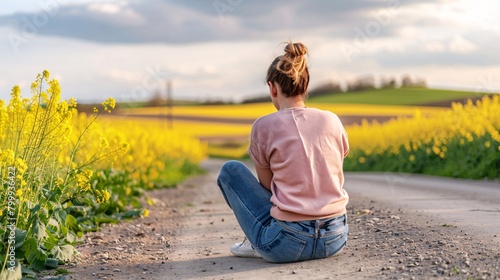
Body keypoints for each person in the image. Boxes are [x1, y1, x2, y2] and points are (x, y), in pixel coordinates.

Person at [217, 41, 349, 263]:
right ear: (305, 87)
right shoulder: (331, 119)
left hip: (285, 244)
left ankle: (254, 238)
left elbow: (269, 188)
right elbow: (336, 163)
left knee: (231, 171)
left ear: (272, 88)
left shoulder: (263, 126)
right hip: (335, 238)